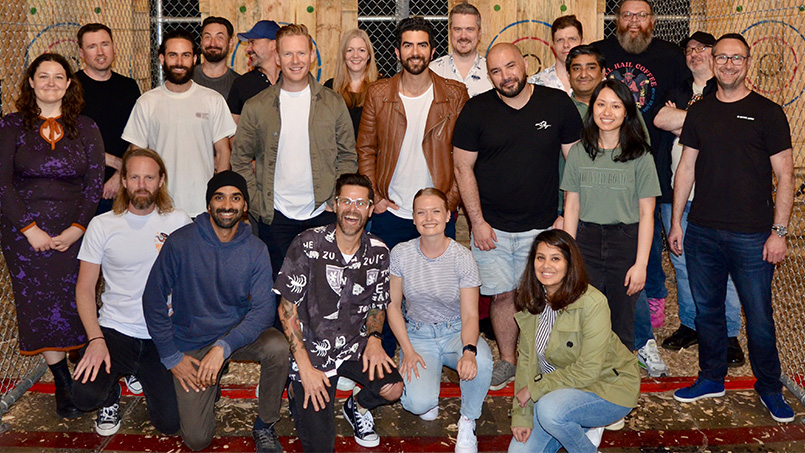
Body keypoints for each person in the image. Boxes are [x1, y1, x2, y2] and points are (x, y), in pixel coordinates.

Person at [669, 33, 796, 423]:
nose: (727, 64)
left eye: (735, 58)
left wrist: (780, 231)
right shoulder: (701, 111)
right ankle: (711, 377)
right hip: (702, 231)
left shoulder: (769, 113)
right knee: (707, 312)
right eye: (721, 57)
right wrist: (676, 222)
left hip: (752, 236)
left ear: (748, 61)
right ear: (713, 61)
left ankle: (770, 388)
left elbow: (786, 176)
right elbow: (686, 168)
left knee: (758, 317)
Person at [453, 43, 581, 391]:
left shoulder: (556, 104)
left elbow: (576, 165)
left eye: (510, 67)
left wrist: (564, 218)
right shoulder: (476, 111)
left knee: (550, 297)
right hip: (492, 229)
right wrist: (477, 222)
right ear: (488, 74)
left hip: (543, 226)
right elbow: (462, 168)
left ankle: (548, 363)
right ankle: (508, 361)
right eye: (495, 71)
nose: (505, 76)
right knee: (502, 297)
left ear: (524, 64)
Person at [142, 171, 289, 451]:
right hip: (192, 342)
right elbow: (153, 299)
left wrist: (223, 347)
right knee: (197, 440)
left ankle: (266, 424)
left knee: (277, 346)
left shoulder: (256, 249)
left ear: (245, 206)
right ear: (209, 204)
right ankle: (211, 378)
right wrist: (172, 357)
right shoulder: (180, 242)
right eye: (219, 197)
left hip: (234, 335)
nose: (227, 205)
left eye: (235, 198)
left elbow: (263, 310)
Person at [357, 16, 469, 357]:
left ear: (433, 50)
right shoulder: (378, 94)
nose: (415, 52)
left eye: (422, 44)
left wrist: (450, 202)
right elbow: (366, 149)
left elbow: (463, 155)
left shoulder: (454, 94)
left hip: (437, 211)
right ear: (397, 51)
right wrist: (375, 197)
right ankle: (386, 357)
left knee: (436, 289)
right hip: (392, 210)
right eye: (408, 45)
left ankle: (435, 354)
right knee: (387, 291)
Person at [0, 53, 104, 418]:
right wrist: (30, 230)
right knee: (41, 306)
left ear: (69, 83)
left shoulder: (86, 126)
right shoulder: (10, 126)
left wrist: (77, 229)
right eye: (42, 76)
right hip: (24, 237)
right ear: (30, 82)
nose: (50, 83)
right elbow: (2, 183)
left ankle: (85, 365)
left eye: (58, 77)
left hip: (74, 231)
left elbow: (94, 185)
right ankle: (62, 379)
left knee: (76, 299)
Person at [274, 173, 404, 452]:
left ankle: (354, 406)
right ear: (334, 204)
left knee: (393, 387)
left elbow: (378, 304)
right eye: (346, 201)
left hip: (353, 344)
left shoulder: (379, 252)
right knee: (321, 447)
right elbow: (287, 308)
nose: (352, 209)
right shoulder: (307, 243)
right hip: (311, 351)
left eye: (360, 203)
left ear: (370, 209)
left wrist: (374, 339)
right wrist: (305, 368)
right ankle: (296, 387)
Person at [72, 148, 190, 436]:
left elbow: (193, 280)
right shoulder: (103, 225)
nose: (141, 184)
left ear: (161, 181)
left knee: (172, 424)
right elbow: (85, 288)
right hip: (115, 329)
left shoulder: (179, 221)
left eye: (149, 177)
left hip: (161, 334)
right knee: (84, 396)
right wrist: (96, 339)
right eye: (134, 177)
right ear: (123, 181)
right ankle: (110, 395)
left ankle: (140, 374)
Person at [565, 45, 667, 378]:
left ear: (627, 112)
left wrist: (640, 265)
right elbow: (572, 205)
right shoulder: (580, 152)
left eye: (616, 106)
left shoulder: (640, 156)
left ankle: (618, 389)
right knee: (588, 316)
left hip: (626, 241)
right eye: (601, 104)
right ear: (592, 108)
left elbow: (648, 215)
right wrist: (568, 256)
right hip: (587, 240)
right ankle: (589, 381)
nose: (607, 112)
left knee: (623, 320)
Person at [592, 0, 690, 342]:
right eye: (627, 15)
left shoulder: (671, 57)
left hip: (656, 163)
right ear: (617, 20)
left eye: (642, 15)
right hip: (608, 168)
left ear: (653, 20)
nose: (634, 22)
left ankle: (654, 297)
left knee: (651, 239)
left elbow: (679, 108)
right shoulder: (599, 52)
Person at [231, 23, 357, 279]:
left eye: (301, 53)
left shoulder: (333, 103)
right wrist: (256, 203)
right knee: (282, 293)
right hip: (275, 217)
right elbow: (240, 159)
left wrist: (336, 196)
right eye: (287, 54)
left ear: (312, 55)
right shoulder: (257, 106)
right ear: (277, 57)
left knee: (323, 293)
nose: (295, 60)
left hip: (323, 212)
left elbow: (348, 155)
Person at [653, 31, 745, 366]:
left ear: (715, 54)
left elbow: (725, 127)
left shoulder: (724, 90)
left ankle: (729, 334)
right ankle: (692, 325)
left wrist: (685, 122)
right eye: (689, 49)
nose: (694, 54)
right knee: (682, 263)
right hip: (676, 193)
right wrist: (699, 123)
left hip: (713, 195)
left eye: (702, 49)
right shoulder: (677, 88)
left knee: (724, 267)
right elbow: (660, 119)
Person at [508, 230, 640, 453]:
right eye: (540, 258)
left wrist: (535, 389)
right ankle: (578, 423)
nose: (546, 265)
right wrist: (521, 414)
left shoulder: (593, 303)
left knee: (551, 411)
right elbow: (527, 361)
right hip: (556, 390)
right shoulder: (533, 299)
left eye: (555, 258)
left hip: (607, 387)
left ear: (570, 264)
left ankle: (585, 436)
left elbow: (588, 371)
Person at [387, 188, 493, 453]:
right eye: (421, 212)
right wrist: (407, 350)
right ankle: (428, 392)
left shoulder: (462, 257)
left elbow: (470, 314)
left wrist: (469, 350)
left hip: (455, 330)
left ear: (448, 216)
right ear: (413, 218)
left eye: (436, 211)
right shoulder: (401, 254)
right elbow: (393, 305)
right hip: (419, 334)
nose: (428, 217)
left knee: (480, 361)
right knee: (418, 404)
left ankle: (468, 420)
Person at [122, 28, 237, 216]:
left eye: (185, 55)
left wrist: (219, 195)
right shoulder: (147, 102)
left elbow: (224, 151)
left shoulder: (212, 100)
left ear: (194, 59)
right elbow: (136, 155)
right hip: (159, 207)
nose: (179, 62)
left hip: (202, 206)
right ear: (162, 59)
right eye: (173, 55)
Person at [75, 23, 141, 215]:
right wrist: (113, 161)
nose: (100, 52)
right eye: (92, 46)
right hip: (82, 187)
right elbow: (69, 141)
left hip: (124, 186)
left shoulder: (129, 87)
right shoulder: (71, 88)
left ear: (114, 47)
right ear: (81, 52)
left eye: (105, 44)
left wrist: (120, 175)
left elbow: (138, 135)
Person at [323, 28, 380, 137]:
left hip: (371, 153)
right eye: (350, 50)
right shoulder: (330, 87)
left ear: (369, 55)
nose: (355, 55)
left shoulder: (381, 87)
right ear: (343, 55)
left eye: (361, 50)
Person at [429, 2, 492, 97]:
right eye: (458, 29)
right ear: (450, 31)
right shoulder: (433, 71)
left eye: (470, 29)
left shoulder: (492, 72)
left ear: (479, 33)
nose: (463, 36)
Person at [228, 20, 282, 124]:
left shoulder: (293, 81)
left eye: (252, 42)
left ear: (273, 45)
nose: (247, 49)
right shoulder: (241, 84)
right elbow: (233, 133)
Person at [527, 15, 582, 94]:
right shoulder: (536, 83)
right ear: (553, 45)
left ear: (582, 42)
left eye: (572, 39)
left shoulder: (595, 82)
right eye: (560, 40)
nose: (566, 45)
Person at [193, 16, 240, 98]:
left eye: (219, 37)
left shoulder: (239, 84)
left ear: (230, 43)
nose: (213, 43)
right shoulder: (187, 79)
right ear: (201, 41)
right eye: (208, 37)